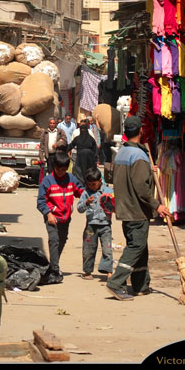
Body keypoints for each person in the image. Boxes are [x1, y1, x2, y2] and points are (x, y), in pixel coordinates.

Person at [107, 115, 171, 301]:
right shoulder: (139, 156)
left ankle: (141, 285)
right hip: (136, 210)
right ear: (141, 131)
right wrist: (157, 205)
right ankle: (116, 282)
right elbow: (141, 187)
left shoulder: (122, 153)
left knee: (141, 248)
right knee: (136, 246)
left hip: (125, 208)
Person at [36, 150, 84, 283]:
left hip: (66, 218)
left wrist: (90, 195)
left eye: (64, 170)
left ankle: (53, 264)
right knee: (54, 240)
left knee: (61, 241)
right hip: (52, 217)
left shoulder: (71, 179)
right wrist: (48, 213)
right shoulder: (47, 181)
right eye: (58, 169)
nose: (61, 172)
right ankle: (55, 269)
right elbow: (41, 202)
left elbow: (80, 191)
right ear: (54, 167)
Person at [76, 167, 114, 279]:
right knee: (88, 249)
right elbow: (79, 208)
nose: (91, 186)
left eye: (94, 184)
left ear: (100, 181)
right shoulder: (86, 193)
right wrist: (86, 203)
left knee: (107, 249)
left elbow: (114, 206)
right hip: (91, 226)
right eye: (89, 184)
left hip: (105, 225)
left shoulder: (109, 192)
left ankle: (108, 272)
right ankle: (87, 271)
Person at [67, 119, 99, 186]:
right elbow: (95, 149)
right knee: (88, 171)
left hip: (81, 158)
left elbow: (70, 146)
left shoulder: (78, 138)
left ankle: (82, 185)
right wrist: (95, 159)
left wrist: (63, 150)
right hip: (89, 158)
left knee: (80, 172)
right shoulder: (91, 138)